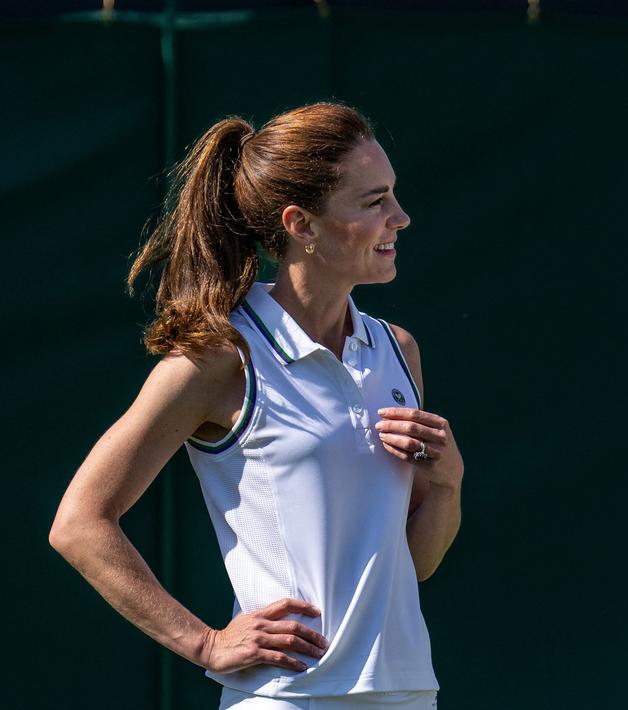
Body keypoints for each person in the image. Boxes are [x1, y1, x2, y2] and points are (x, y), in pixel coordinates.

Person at [49, 102, 462, 709]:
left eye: (394, 196)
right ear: (303, 225)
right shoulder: (219, 360)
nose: (401, 218)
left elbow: (417, 563)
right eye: (375, 202)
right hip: (286, 698)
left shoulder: (398, 351)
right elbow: (79, 523)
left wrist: (448, 484)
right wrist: (205, 644)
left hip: (408, 691)